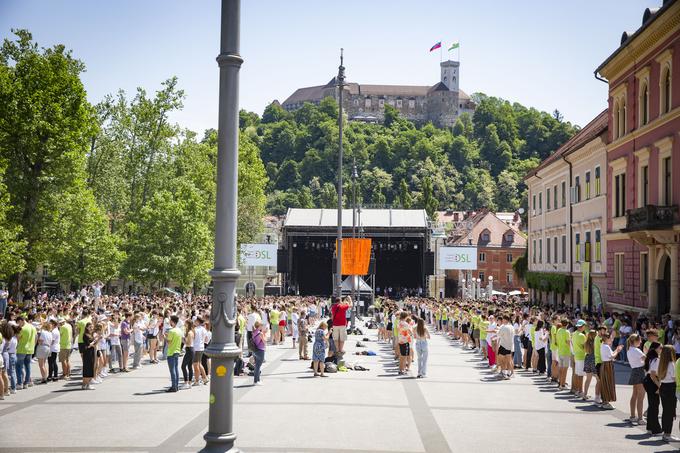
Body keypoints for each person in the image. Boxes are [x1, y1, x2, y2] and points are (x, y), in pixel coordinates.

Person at [649, 345, 679, 442]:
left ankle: (665, 433)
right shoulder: (672, 364)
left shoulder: (661, 363)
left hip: (663, 387)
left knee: (666, 411)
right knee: (669, 412)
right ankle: (667, 434)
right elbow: (675, 378)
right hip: (670, 387)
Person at [599, 331, 623, 410]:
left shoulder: (603, 345)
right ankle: (606, 402)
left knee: (605, 383)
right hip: (607, 365)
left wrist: (616, 350)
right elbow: (612, 356)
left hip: (605, 365)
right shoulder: (606, 346)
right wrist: (618, 350)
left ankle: (604, 401)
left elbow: (611, 354)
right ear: (607, 338)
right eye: (611, 338)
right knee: (607, 383)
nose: (612, 339)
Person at [626, 334, 645, 424]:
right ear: (635, 341)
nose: (641, 342)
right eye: (639, 340)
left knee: (635, 395)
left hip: (634, 371)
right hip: (639, 371)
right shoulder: (636, 350)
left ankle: (633, 416)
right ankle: (640, 418)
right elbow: (646, 359)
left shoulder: (629, 349)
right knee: (640, 396)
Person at [16, 315, 37, 389]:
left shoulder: (22, 328)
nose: (18, 324)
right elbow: (36, 337)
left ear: (21, 321)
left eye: (18, 323)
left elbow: (18, 338)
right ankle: (27, 382)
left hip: (22, 349)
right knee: (27, 366)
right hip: (30, 349)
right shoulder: (33, 327)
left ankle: (19, 383)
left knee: (18, 366)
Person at [165, 315, 182, 392]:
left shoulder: (171, 331)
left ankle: (174, 387)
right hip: (177, 351)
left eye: (170, 320)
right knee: (176, 369)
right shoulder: (179, 330)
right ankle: (176, 385)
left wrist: (165, 336)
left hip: (171, 352)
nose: (169, 322)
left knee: (172, 370)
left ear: (172, 321)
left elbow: (168, 343)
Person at [192, 317, 209, 386]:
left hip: (196, 348)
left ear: (198, 322)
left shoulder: (195, 329)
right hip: (201, 347)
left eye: (195, 321)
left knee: (195, 365)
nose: (194, 322)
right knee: (199, 364)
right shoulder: (203, 329)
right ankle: (205, 378)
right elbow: (206, 339)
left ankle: (197, 380)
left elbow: (193, 338)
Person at [81, 322, 96, 390]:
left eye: (92, 327)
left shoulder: (90, 335)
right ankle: (86, 384)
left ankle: (85, 384)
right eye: (90, 327)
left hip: (91, 352)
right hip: (87, 353)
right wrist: (94, 342)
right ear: (87, 327)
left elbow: (94, 344)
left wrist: (97, 339)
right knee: (87, 368)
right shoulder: (85, 335)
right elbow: (88, 345)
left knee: (90, 367)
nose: (91, 328)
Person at [251, 320, 266, 385]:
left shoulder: (254, 332)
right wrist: (264, 334)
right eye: (261, 325)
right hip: (260, 350)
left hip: (255, 350)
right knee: (258, 366)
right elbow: (265, 341)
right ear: (259, 326)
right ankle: (256, 381)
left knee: (257, 366)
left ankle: (258, 380)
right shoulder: (260, 333)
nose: (262, 326)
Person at [181, 321, 194, 387]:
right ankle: (189, 382)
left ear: (188, 324)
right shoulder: (190, 332)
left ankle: (186, 382)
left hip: (189, 349)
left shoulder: (189, 333)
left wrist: (183, 339)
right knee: (189, 367)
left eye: (185, 323)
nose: (184, 324)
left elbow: (188, 343)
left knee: (183, 366)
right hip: (190, 349)